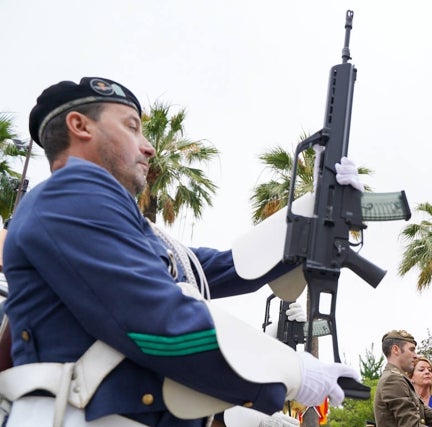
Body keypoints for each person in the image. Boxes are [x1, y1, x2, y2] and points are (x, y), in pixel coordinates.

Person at [0, 77, 362, 427]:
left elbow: (223, 268)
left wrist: (317, 209)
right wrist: (290, 371)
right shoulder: (71, 195)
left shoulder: (110, 219)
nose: (148, 146)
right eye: (131, 126)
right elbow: (156, 321)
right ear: (80, 126)